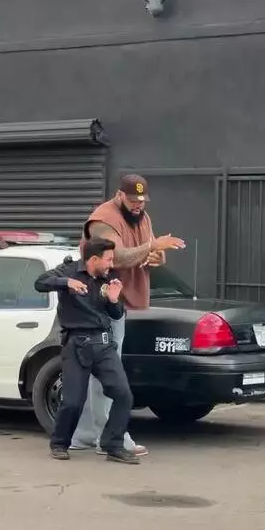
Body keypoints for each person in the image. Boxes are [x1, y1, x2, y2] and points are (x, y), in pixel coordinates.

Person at [70, 173, 186, 456]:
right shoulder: (103, 219)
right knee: (106, 371)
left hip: (119, 302)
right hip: (101, 302)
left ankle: (84, 435)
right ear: (119, 195)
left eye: (142, 201)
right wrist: (150, 248)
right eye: (133, 200)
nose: (138, 205)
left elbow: (153, 254)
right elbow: (118, 256)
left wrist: (156, 254)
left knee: (96, 369)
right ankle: (112, 437)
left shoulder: (142, 218)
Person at [34, 238, 140, 465]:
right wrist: (66, 283)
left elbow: (116, 314)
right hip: (76, 344)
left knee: (123, 394)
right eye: (108, 259)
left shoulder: (109, 278)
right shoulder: (70, 269)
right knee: (73, 401)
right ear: (94, 259)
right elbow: (40, 282)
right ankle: (60, 443)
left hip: (102, 344)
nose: (111, 264)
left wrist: (113, 301)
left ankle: (113, 445)